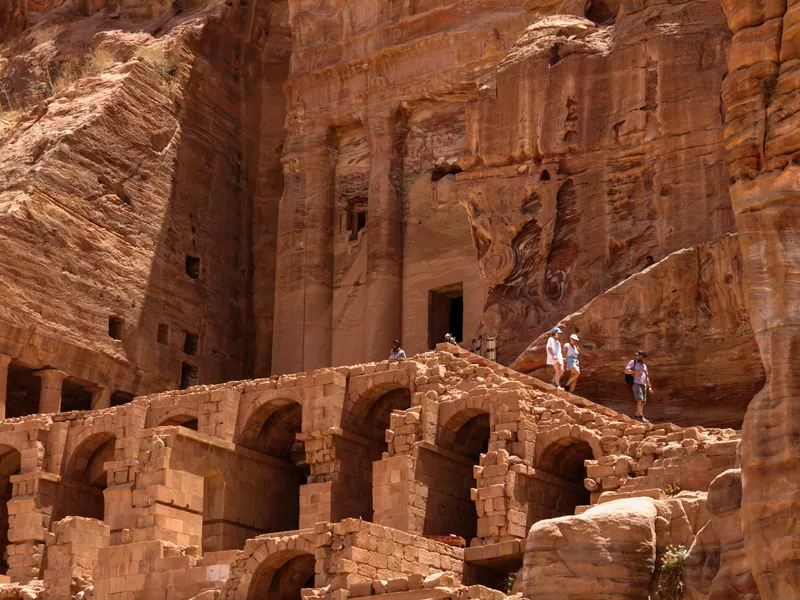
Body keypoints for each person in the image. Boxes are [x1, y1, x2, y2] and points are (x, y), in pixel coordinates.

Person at [625, 349, 654, 422]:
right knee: (640, 399)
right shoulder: (633, 362)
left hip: (643, 385)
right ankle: (641, 417)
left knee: (643, 401)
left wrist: (649, 387)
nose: (637, 356)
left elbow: (647, 377)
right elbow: (626, 371)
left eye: (638, 355)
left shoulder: (644, 366)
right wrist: (635, 372)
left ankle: (636, 415)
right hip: (636, 383)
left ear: (642, 356)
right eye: (637, 355)